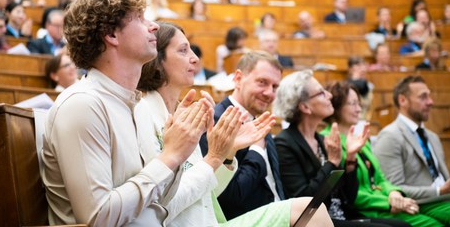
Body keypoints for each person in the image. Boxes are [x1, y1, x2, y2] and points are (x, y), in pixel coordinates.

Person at [41, 0, 212, 226]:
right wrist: (170, 157)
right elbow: (97, 217)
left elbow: (159, 202)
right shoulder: (83, 104)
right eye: (141, 19)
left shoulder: (138, 106)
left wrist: (180, 150)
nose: (154, 26)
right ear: (111, 35)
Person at [138, 23, 333, 227]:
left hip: (209, 220)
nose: (195, 58)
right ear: (157, 58)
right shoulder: (144, 114)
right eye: (183, 50)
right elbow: (161, 204)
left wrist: (226, 155)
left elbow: (209, 195)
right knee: (310, 209)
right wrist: (215, 157)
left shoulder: (184, 114)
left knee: (313, 210)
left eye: (275, 86)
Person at [274, 71, 402, 227]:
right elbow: (306, 204)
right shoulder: (284, 144)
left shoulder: (321, 140)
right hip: (319, 221)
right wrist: (331, 163)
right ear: (305, 106)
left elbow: (348, 197)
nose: (329, 96)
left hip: (342, 214)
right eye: (321, 93)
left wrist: (350, 159)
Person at [322, 81, 448, 226]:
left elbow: (380, 178)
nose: (359, 109)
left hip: (386, 205)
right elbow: (350, 193)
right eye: (352, 104)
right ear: (336, 106)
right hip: (368, 210)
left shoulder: (360, 139)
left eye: (359, 103)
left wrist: (394, 193)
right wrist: (388, 202)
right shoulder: (329, 142)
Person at [200, 51, 289, 221]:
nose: (269, 93)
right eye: (262, 82)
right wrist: (256, 150)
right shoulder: (216, 121)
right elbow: (227, 198)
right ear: (238, 78)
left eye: (275, 87)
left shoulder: (260, 120)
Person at [373, 76, 450, 226]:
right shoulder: (390, 136)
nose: (430, 102)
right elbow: (394, 189)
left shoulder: (432, 137)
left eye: (430, 96)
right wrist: (440, 190)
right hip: (421, 203)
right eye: (423, 97)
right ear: (403, 100)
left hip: (447, 199)